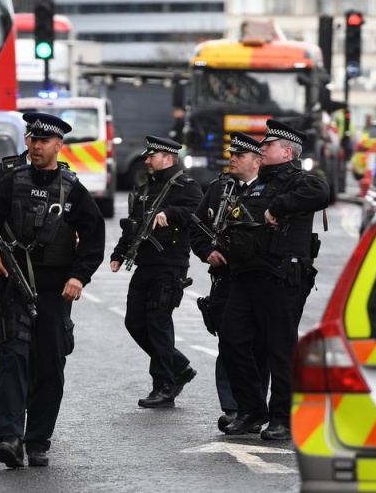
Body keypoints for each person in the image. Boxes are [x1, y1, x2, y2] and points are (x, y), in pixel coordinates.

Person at [0, 112, 105, 468]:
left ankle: (38, 440)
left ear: (59, 146)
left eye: (43, 141)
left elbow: (93, 236)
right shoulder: (10, 181)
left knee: (49, 365)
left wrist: (79, 276)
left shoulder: (72, 188)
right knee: (13, 357)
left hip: (54, 290)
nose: (35, 146)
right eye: (32, 139)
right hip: (13, 286)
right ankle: (10, 437)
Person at [218, 119, 330, 440]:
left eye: (267, 146)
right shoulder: (256, 184)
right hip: (247, 276)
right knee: (232, 340)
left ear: (286, 151)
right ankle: (252, 409)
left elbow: (321, 192)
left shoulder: (299, 181)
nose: (262, 149)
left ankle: (282, 416)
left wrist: (278, 206)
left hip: (282, 277)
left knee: (280, 349)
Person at [110, 136, 202, 409]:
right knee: (134, 322)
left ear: (169, 158)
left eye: (152, 156)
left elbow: (198, 211)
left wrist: (170, 212)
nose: (147, 161)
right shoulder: (146, 187)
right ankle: (179, 366)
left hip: (170, 264)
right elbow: (134, 225)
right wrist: (119, 252)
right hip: (146, 263)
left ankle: (163, 385)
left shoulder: (187, 186)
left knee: (158, 323)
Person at [188, 133, 269, 432]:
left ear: (257, 162)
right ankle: (234, 408)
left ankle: (255, 406)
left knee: (259, 344)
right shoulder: (219, 188)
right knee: (230, 341)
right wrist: (207, 252)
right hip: (225, 279)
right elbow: (195, 228)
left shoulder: (269, 190)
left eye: (239, 155)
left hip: (258, 279)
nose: (231, 158)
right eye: (231, 154)